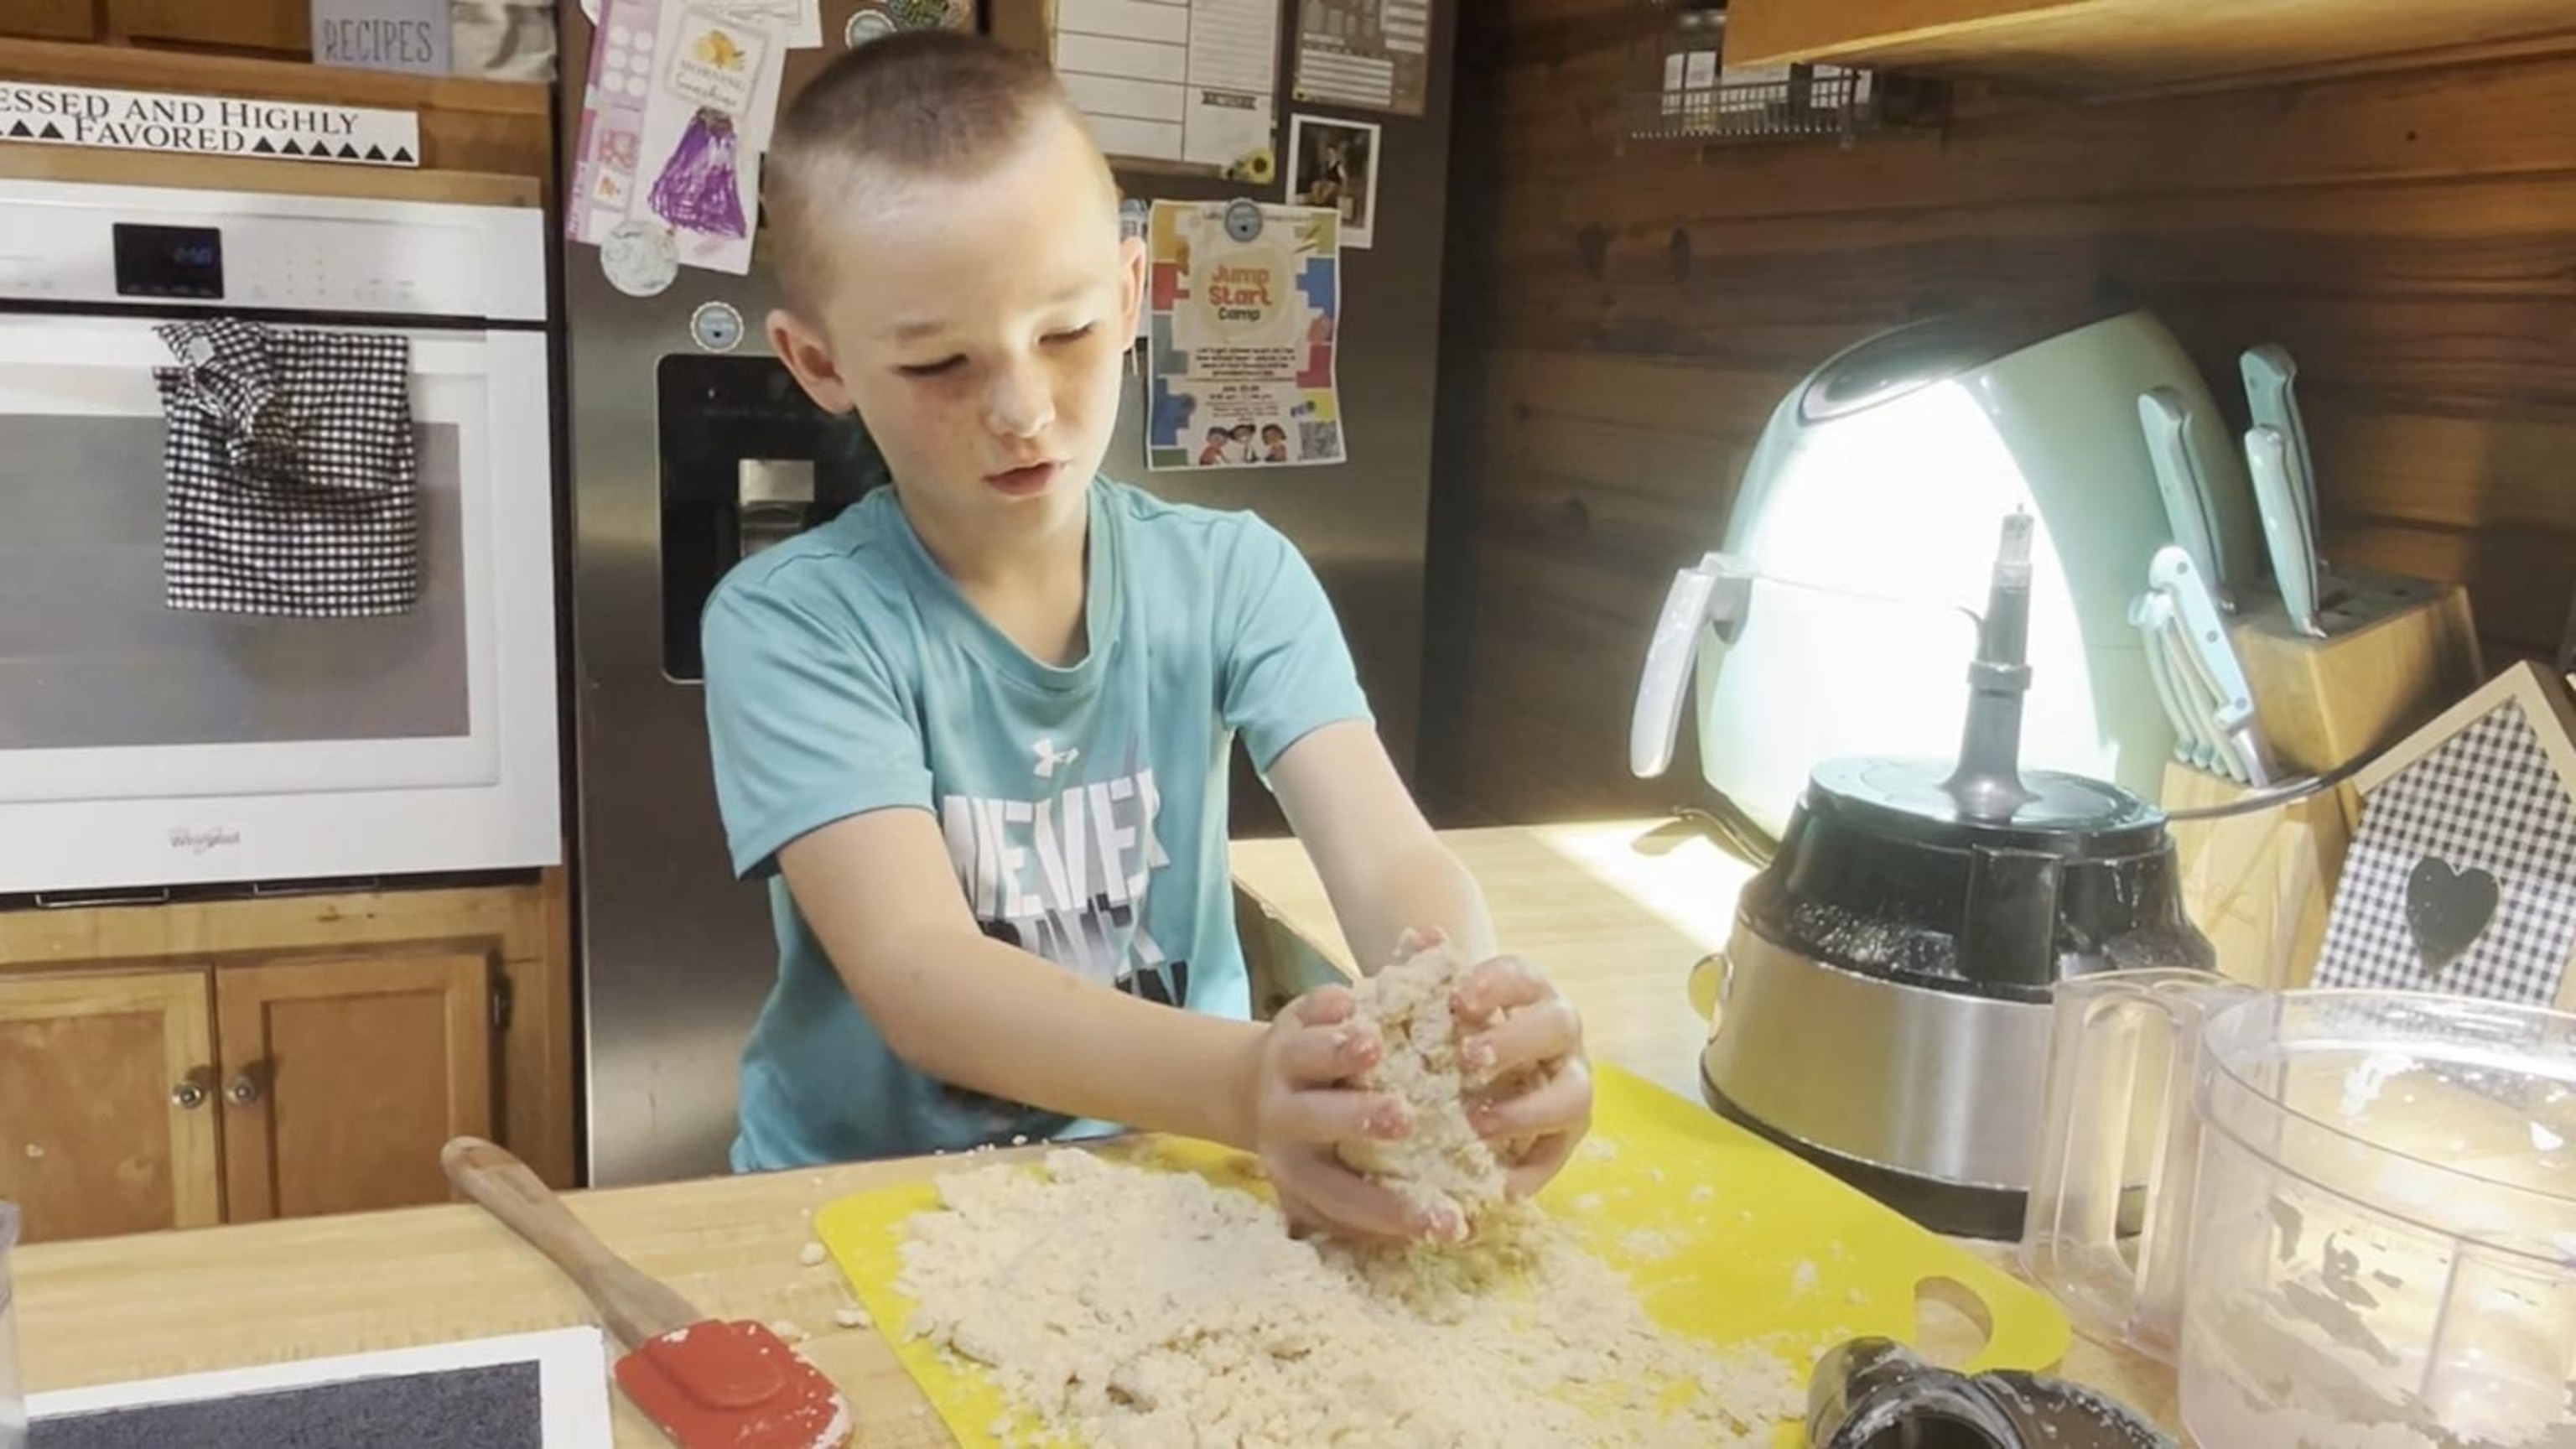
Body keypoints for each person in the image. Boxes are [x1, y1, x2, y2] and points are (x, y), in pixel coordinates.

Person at [700, 30, 1592, 1244]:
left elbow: (1389, 857)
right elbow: (922, 978)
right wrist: (1244, 1082)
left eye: (1065, 333)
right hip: (867, 1200)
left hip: (1174, 1177)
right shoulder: (795, 622)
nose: (1021, 409)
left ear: (1131, 298)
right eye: (939, 362)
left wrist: (1461, 1012)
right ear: (820, 364)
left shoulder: (1234, 576)